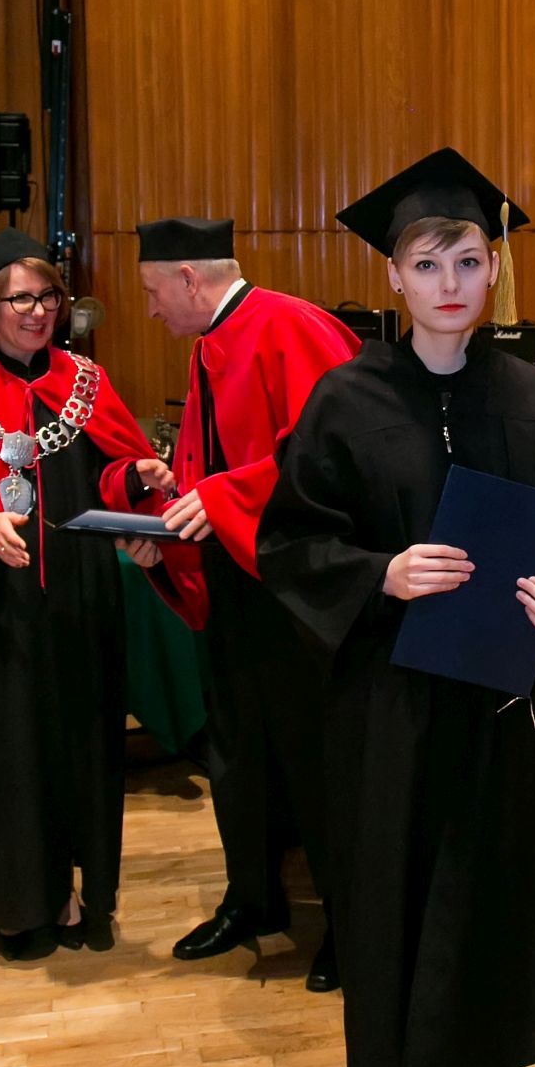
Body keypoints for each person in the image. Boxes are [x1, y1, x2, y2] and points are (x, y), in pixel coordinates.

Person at [257, 148, 535, 1067]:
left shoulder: (534, 403)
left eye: (467, 259)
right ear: (395, 278)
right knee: (394, 938)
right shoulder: (345, 401)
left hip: (497, 727)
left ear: (493, 268)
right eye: (427, 263)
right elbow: (290, 546)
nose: (449, 281)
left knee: (488, 944)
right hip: (387, 724)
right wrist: (382, 575)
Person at [0, 230, 185, 958]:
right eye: (21, 299)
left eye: (50, 297)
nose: (39, 311)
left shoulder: (84, 382)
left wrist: (138, 478)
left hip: (76, 596)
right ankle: (17, 902)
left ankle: (76, 891)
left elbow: (106, 475)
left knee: (80, 743)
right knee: (6, 751)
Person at [136, 217, 360, 985]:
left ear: (188, 279)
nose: (151, 309)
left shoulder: (291, 326)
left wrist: (221, 496)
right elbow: (214, 465)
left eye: (154, 292)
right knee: (237, 749)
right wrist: (168, 515)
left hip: (295, 585)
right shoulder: (210, 343)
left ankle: (348, 924)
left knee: (312, 755)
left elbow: (332, 455)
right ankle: (253, 898)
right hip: (237, 576)